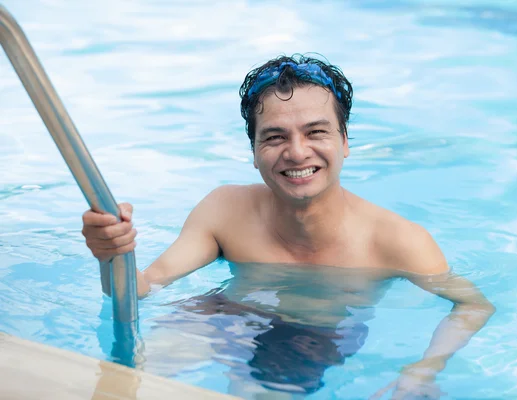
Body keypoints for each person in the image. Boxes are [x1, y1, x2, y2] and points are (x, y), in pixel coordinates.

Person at [81, 54, 495, 399]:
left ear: (345, 142)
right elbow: (142, 287)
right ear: (254, 151)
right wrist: (111, 254)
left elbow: (474, 304)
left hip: (319, 336)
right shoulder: (225, 210)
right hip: (225, 317)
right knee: (128, 380)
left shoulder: (395, 241)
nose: (297, 153)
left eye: (316, 132)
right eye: (275, 137)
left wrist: (424, 369)